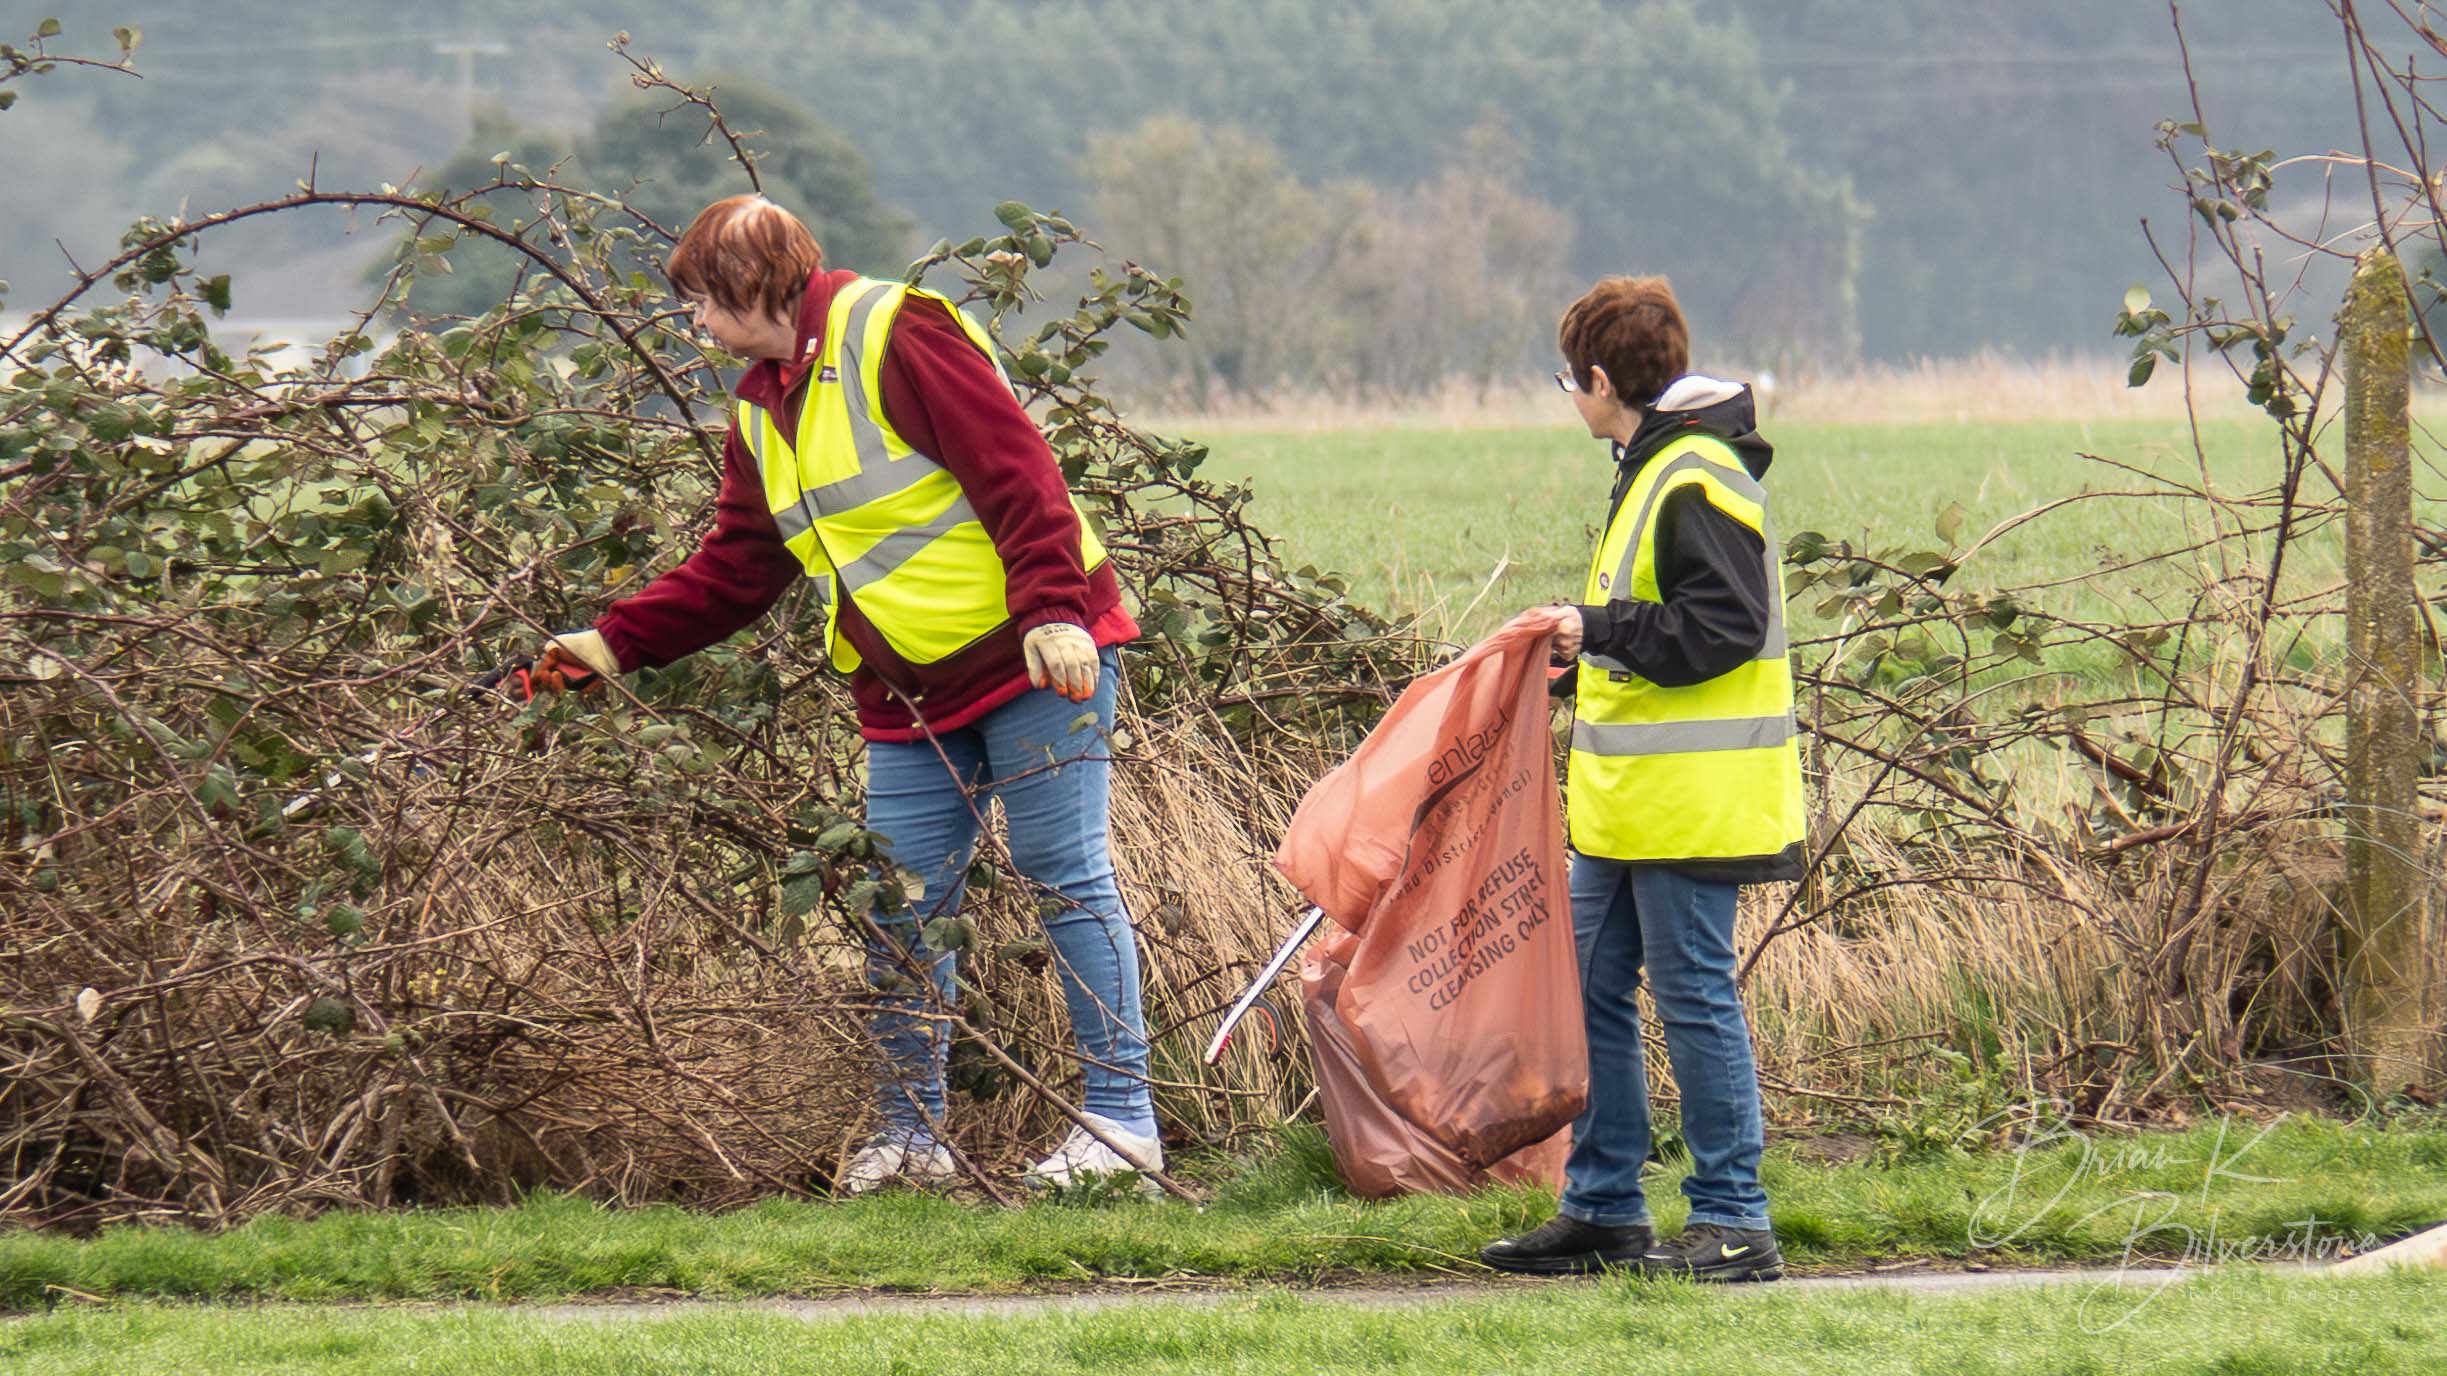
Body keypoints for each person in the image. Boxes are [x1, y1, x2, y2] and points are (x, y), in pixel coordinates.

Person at [531, 195, 1160, 1194]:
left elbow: (1019, 474)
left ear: (750, 282)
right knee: (898, 904)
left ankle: (1123, 1132)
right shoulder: (758, 405)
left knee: (1062, 875)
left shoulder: (896, 331)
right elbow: (739, 565)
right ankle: (913, 1140)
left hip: (1036, 656)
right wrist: (609, 644)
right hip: (907, 692)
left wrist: (1053, 608)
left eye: (701, 298)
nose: (693, 320)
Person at [1481, 275, 1803, 1282]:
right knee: (1587, 987)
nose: (1568, 398)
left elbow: (1721, 627)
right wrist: (1576, 657)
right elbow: (1653, 630)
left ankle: (1733, 1220)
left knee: (1693, 997)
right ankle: (1604, 1209)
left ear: (1597, 379)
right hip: (1629, 810)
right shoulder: (1653, 465)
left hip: (1695, 805)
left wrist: (1597, 626)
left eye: (1565, 382)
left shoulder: (1692, 473)